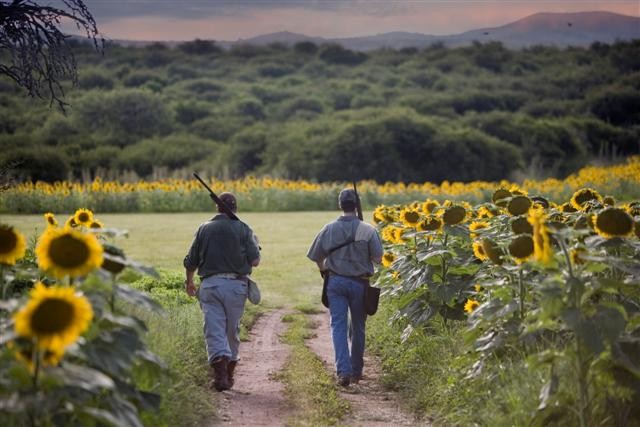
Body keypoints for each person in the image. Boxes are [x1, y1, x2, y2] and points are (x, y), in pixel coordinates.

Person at [183, 192, 261, 392]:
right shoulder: (244, 228)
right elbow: (255, 261)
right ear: (235, 208)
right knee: (231, 330)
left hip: (209, 286)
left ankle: (220, 374)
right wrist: (255, 245)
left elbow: (191, 260)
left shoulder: (204, 228)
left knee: (214, 329)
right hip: (236, 287)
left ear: (217, 208)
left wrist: (190, 281)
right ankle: (228, 372)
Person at [307, 188, 383, 386]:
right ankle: (356, 371)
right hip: (360, 283)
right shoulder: (368, 229)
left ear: (340, 205)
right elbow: (378, 259)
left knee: (338, 327)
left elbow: (316, 256)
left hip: (336, 282)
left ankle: (343, 372)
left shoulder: (329, 228)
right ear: (357, 205)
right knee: (358, 327)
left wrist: (324, 271)